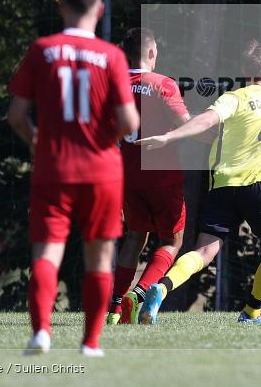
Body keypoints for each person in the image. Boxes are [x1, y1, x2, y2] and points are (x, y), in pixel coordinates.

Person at [7, 0, 139, 356]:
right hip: (102, 172)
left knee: (47, 252)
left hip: (54, 167)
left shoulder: (41, 50)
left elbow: (16, 115)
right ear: (99, 10)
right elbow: (129, 122)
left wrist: (37, 143)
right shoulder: (113, 57)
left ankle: (41, 333)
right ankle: (91, 343)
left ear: (62, 6)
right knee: (98, 257)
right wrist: (102, 140)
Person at [135, 39, 261, 325]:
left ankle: (162, 287)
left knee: (204, 250)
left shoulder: (234, 98)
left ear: (244, 70)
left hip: (223, 186)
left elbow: (207, 123)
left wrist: (170, 135)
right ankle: (252, 312)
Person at [106, 28, 191, 325]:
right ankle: (138, 294)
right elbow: (185, 124)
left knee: (134, 236)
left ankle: (115, 309)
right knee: (171, 239)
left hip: (127, 175)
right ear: (152, 52)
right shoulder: (163, 84)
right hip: (162, 177)